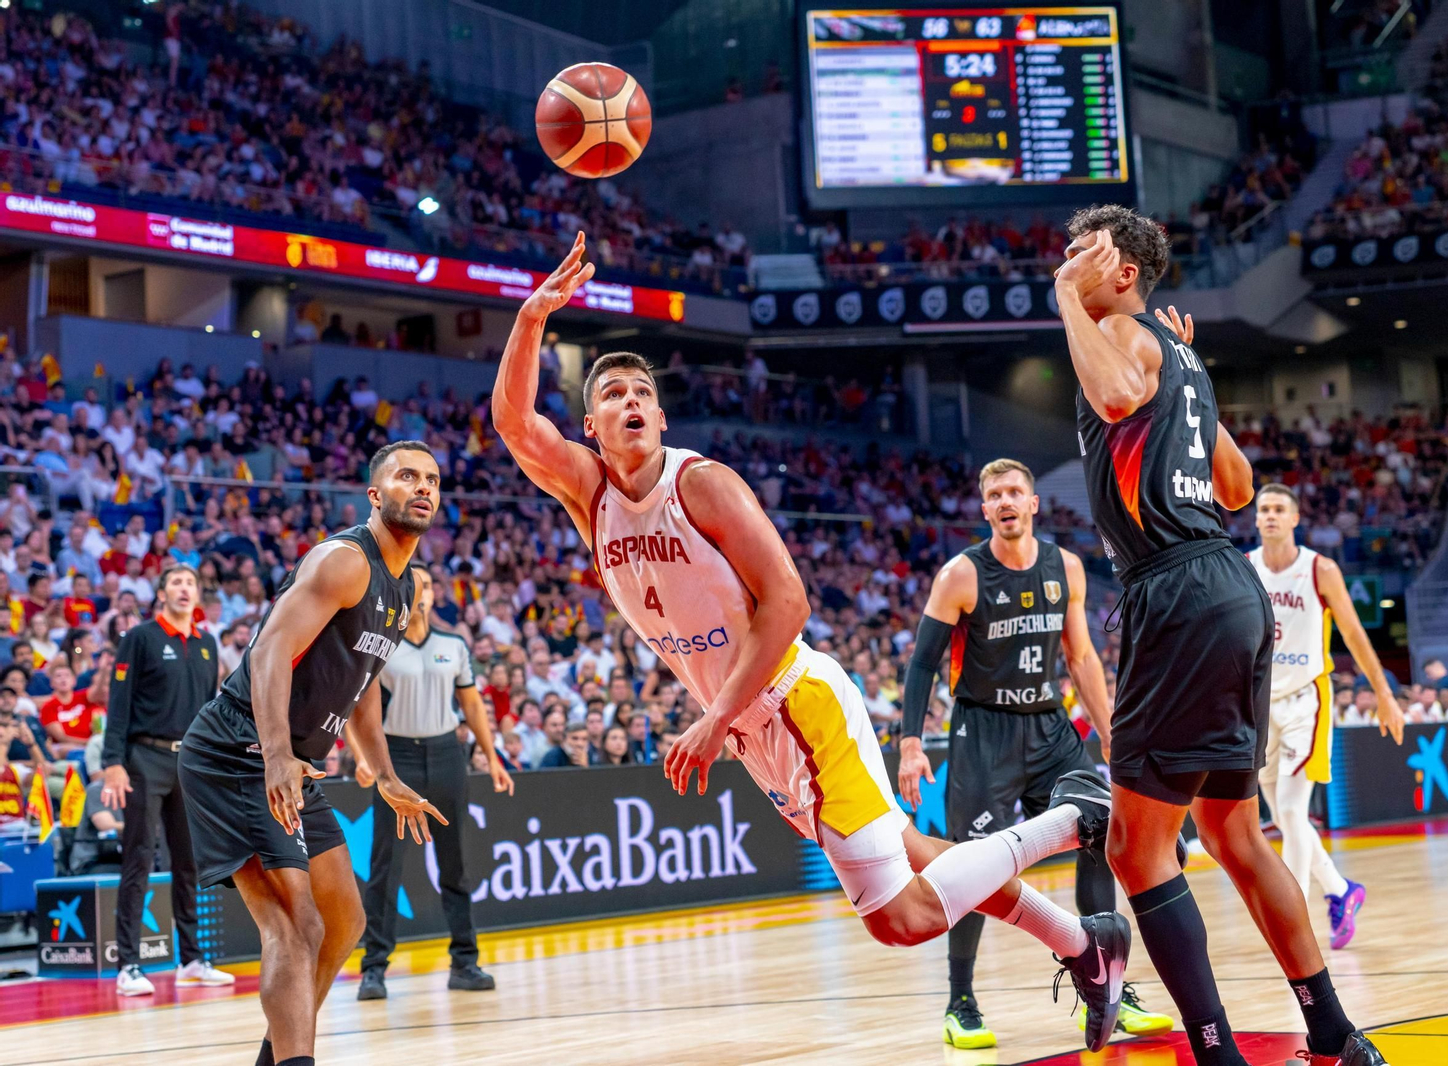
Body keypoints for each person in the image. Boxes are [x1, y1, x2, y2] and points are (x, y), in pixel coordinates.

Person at [491, 233, 1131, 1051]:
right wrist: (532, 317)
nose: (631, 403)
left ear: (660, 412)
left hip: (798, 703)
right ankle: (1087, 947)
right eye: (613, 394)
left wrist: (717, 715)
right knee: (915, 853)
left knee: (900, 921)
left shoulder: (701, 484)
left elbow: (788, 601)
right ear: (591, 425)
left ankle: (1075, 819)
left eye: (642, 392)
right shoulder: (589, 494)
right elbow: (513, 421)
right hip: (761, 728)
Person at [1056, 205, 1387, 1066]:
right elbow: (1237, 488)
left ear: (1121, 272)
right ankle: (1334, 1034)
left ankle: (1217, 1054)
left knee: (1136, 847)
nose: (1066, 262)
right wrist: (1192, 382)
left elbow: (1120, 394)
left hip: (1176, 591)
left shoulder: (1120, 337)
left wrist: (1065, 298)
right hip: (1230, 586)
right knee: (1236, 833)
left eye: (1080, 254)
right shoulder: (1175, 355)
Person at [178, 441, 446, 1066]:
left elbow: (362, 684)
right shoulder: (344, 561)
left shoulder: (402, 589)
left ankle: (277, 1059)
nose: (424, 487)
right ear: (376, 495)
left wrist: (383, 774)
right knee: (296, 928)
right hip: (237, 752)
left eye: (432, 479)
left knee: (343, 922)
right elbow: (271, 650)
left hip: (288, 761)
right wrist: (274, 754)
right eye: (407, 477)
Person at [898, 458, 1173, 1050]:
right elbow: (921, 662)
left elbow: (1081, 658)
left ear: (1033, 503)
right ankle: (960, 1002)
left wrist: (1108, 730)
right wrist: (912, 744)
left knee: (1101, 834)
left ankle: (1104, 986)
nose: (1005, 501)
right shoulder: (960, 575)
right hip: (984, 733)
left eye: (1014, 492)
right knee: (971, 868)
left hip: (1049, 728)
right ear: (984, 509)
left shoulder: (1064, 567)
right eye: (993, 494)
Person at [1249, 485, 1405, 950]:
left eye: (1279, 509)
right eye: (1264, 510)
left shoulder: (1320, 569)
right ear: (1256, 520)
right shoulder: (1245, 567)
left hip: (1306, 701)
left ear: (1295, 518)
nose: (1271, 516)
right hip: (1260, 704)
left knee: (1295, 810)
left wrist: (1384, 694)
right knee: (1282, 815)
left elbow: (1355, 634)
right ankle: (1341, 890)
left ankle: (1289, 918)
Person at [354, 564, 514, 1001]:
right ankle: (374, 969)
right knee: (386, 869)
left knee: (456, 864)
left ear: (432, 595)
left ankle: (465, 961)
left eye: (423, 587)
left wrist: (493, 756)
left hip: (447, 755)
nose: (418, 594)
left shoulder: (454, 645)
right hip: (397, 756)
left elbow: (473, 705)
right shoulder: (382, 647)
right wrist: (365, 758)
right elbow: (357, 707)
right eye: (411, 587)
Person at [100, 565, 231, 996]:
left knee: (189, 861)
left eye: (190, 583)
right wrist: (112, 762)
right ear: (161, 594)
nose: (183, 588)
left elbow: (211, 712)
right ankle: (128, 965)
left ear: (197, 595)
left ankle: (192, 959)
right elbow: (118, 706)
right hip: (143, 758)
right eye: (175, 582)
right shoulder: (139, 639)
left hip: (189, 763)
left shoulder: (207, 644)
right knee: (139, 857)